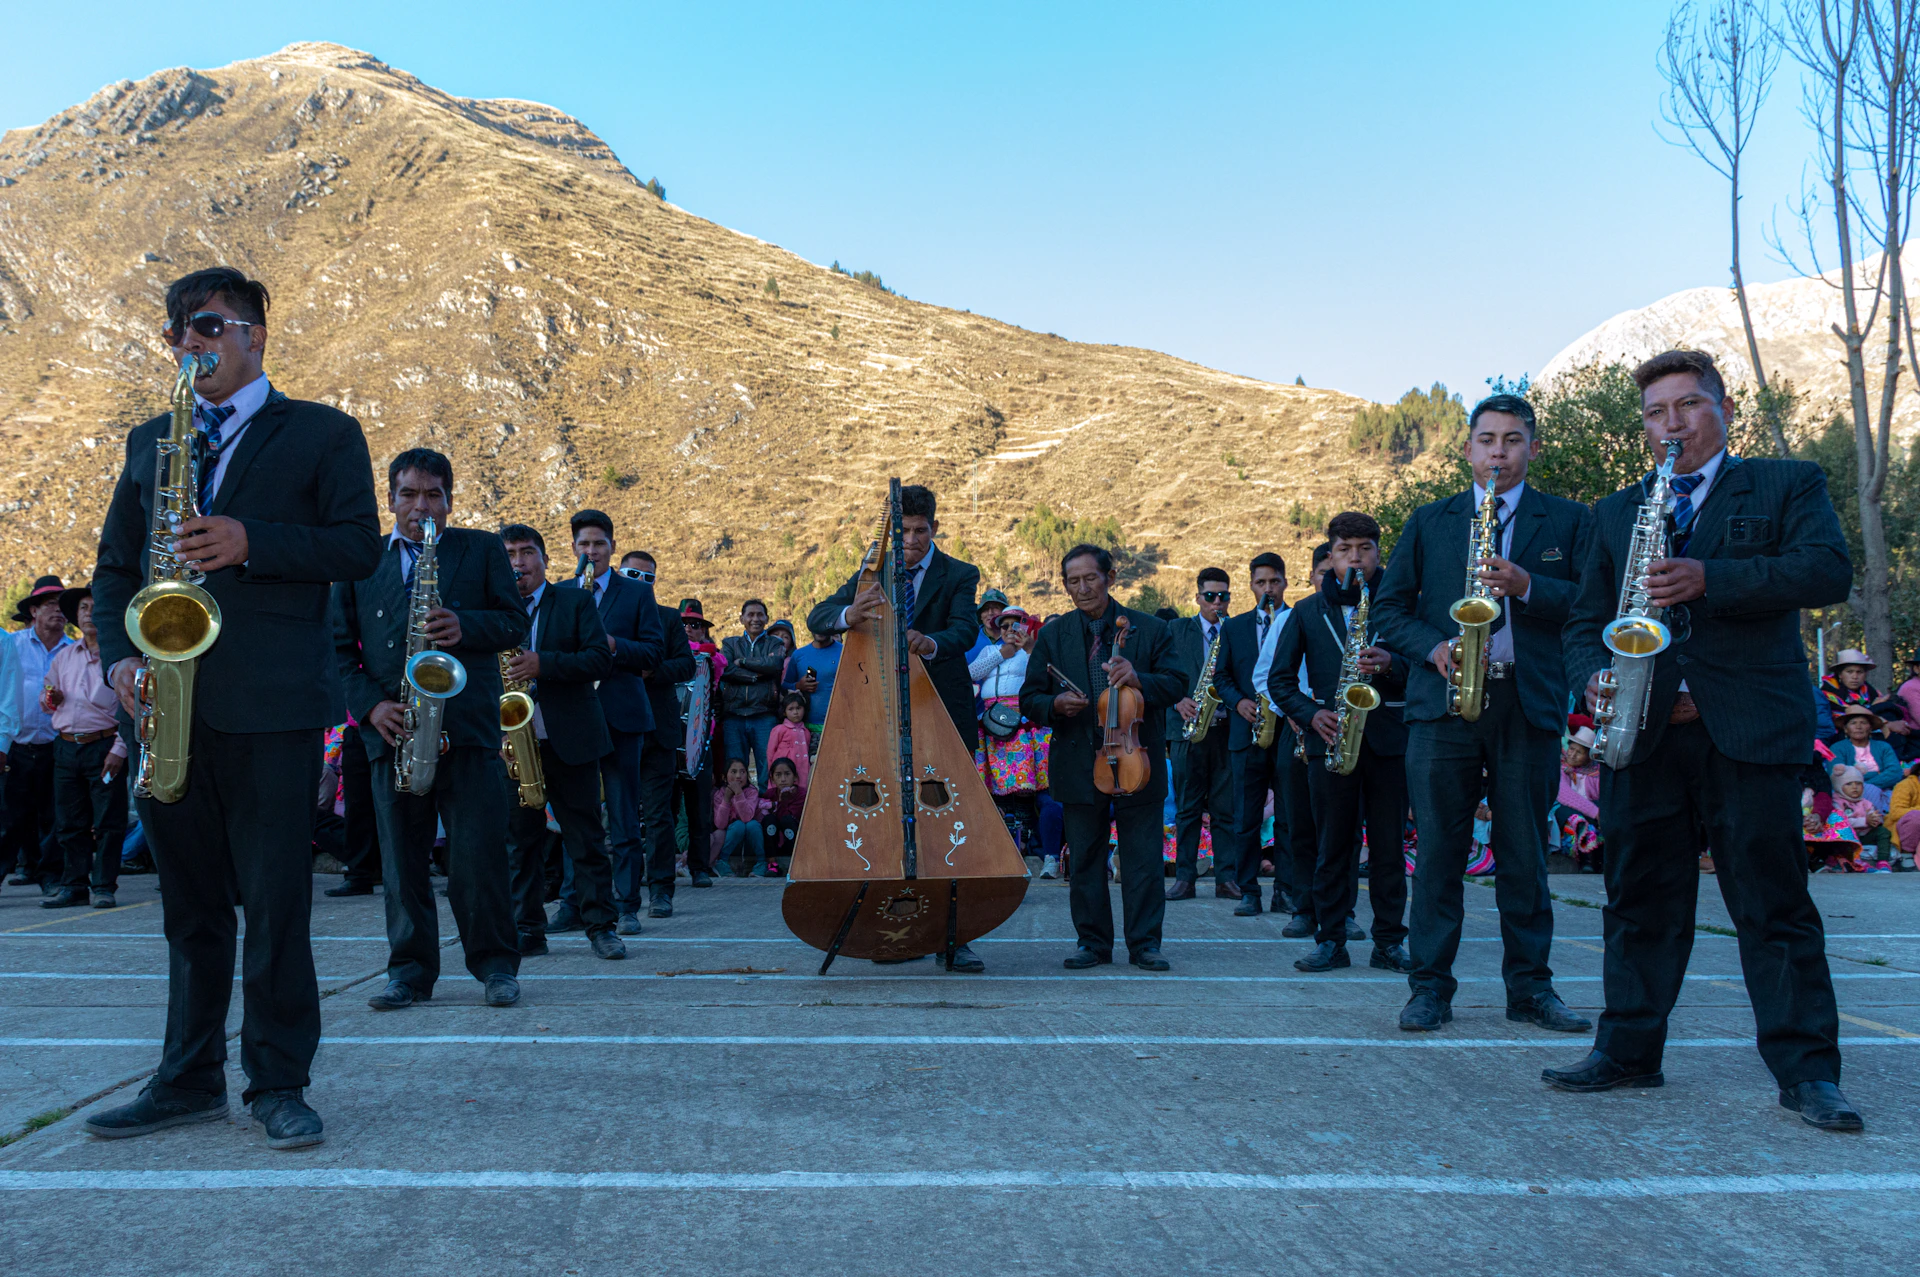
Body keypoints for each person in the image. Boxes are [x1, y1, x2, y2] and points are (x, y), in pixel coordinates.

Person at [86, 266, 383, 1150]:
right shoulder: (150, 441)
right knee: (190, 907)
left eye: (209, 326)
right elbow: (111, 572)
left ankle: (279, 1081)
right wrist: (119, 660)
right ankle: (185, 1078)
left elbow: (359, 546)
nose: (190, 343)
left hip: (274, 706)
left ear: (255, 332)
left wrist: (253, 541)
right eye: (179, 330)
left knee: (278, 902)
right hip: (167, 708)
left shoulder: (324, 432)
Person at [1550, 348, 1862, 1132]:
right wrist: (1593, 678)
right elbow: (1586, 620)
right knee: (1638, 903)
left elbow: (1826, 570)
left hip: (1746, 728)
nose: (1671, 424)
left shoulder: (1789, 482)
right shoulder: (1617, 510)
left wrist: (1709, 578)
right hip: (1642, 731)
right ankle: (1627, 1051)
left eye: (1687, 406)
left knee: (1772, 904)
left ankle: (1808, 1074)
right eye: (1656, 412)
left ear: (1723, 410)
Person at [1371, 391, 1592, 1034]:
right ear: (1468, 448)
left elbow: (1589, 604)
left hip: (1526, 704)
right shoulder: (1429, 521)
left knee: (1525, 854)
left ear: (1533, 447)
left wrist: (1529, 587)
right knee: (1438, 852)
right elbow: (1389, 611)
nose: (1499, 451)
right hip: (1444, 706)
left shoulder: (1571, 521)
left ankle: (1531, 990)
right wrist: (1432, 648)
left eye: (1513, 440)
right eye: (1488, 440)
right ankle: (1429, 988)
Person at [335, 448, 528, 1012]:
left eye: (434, 495)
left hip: (464, 731)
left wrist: (463, 625)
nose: (422, 506)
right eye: (410, 494)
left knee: (478, 861)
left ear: (450, 498)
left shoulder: (482, 548)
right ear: (391, 498)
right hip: (391, 732)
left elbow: (515, 621)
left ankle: (496, 967)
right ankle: (410, 973)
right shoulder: (360, 559)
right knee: (400, 865)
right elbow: (339, 649)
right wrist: (372, 708)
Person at [1019, 543, 1186, 971]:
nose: (1082, 588)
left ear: (1110, 578)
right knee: (1087, 856)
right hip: (1078, 757)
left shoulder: (1148, 629)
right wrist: (1055, 705)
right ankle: (1092, 943)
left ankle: (1145, 944)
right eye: (1073, 581)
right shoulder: (1054, 636)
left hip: (1135, 753)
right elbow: (1029, 698)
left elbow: (1176, 682)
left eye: (1090, 578)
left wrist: (1139, 679)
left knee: (1142, 856)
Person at [1270, 513, 1414, 974]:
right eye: (1345, 549)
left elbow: (1426, 669)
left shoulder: (1401, 604)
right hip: (1330, 742)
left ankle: (1389, 942)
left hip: (1389, 741)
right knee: (1331, 846)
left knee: (1390, 849)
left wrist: (1392, 664)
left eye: (1366, 548)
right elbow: (1280, 680)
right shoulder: (1308, 612)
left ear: (1378, 553)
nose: (1356, 557)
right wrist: (1312, 715)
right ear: (1330, 555)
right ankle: (1331, 939)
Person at [498, 524, 625, 960]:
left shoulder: (573, 600)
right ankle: (528, 930)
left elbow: (599, 659)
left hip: (569, 739)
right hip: (515, 744)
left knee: (586, 840)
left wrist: (541, 663)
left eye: (528, 553)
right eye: (511, 554)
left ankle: (602, 928)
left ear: (546, 560)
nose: (519, 563)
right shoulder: (492, 610)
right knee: (521, 845)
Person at [807, 484, 983, 755]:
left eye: (920, 530)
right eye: (903, 531)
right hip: (881, 705)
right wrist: (848, 615)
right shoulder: (873, 572)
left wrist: (930, 643)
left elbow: (966, 629)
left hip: (942, 701)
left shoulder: (960, 573)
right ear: (890, 531)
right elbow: (817, 617)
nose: (910, 540)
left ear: (934, 528)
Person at [556, 509, 665, 936]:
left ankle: (626, 904)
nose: (591, 551)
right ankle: (572, 903)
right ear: (573, 549)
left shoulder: (636, 594)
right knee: (575, 816)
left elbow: (654, 652)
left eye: (599, 544)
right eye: (583, 544)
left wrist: (614, 644)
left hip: (621, 714)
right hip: (575, 717)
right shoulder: (560, 592)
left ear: (612, 547)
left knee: (622, 816)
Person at [1212, 554, 1306, 915]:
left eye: (1275, 582)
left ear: (1285, 583)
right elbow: (1221, 677)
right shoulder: (1233, 628)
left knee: (1288, 815)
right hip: (1246, 731)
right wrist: (1239, 704)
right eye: (1261, 583)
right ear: (1251, 586)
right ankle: (1249, 890)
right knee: (1246, 817)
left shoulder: (1298, 620)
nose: (1268, 589)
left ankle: (1285, 890)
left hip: (1287, 731)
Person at [37, 584, 129, 909]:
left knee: (108, 820)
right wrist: (51, 698)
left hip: (104, 746)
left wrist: (120, 750)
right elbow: (47, 696)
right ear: (75, 617)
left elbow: (135, 708)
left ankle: (103, 886)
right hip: (65, 747)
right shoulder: (64, 656)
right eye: (83, 608)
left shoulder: (120, 658)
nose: (89, 613)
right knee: (69, 821)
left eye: (95, 607)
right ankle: (73, 885)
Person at [620, 551, 698, 915]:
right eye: (633, 573)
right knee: (617, 815)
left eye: (648, 577)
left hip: (658, 730)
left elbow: (686, 665)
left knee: (658, 815)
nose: (640, 581)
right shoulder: (602, 613)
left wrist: (654, 672)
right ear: (620, 572)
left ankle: (661, 890)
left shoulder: (668, 618)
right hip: (616, 727)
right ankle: (623, 891)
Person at [1164, 569, 1235, 902]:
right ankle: (1184, 879)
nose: (1217, 602)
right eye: (1210, 596)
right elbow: (1160, 675)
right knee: (1187, 810)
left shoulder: (1236, 630)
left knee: (1225, 810)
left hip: (1226, 729)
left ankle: (1226, 879)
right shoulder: (1177, 629)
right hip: (1188, 729)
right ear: (1197, 597)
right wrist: (1178, 699)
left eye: (1223, 596)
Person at [3, 575, 72, 892]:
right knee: (13, 815)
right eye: (50, 605)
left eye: (61, 606)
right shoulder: (12, 644)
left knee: (53, 814)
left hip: (56, 743)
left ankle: (49, 875)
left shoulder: (73, 650)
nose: (57, 611)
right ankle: (20, 867)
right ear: (33, 611)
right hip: (16, 744)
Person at [969, 605, 1049, 855]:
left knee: (1023, 788)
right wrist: (1002, 654)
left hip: (1020, 723)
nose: (1008, 630)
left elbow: (1045, 674)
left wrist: (1026, 648)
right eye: (1004, 626)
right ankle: (1004, 838)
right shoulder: (990, 650)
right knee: (997, 785)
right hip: (992, 722)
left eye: (1015, 625)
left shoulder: (1031, 652)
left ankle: (1024, 839)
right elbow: (972, 673)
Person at [719, 599, 785, 787]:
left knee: (767, 768)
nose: (755, 619)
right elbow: (725, 669)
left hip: (764, 715)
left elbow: (775, 665)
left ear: (766, 618)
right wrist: (755, 676)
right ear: (742, 619)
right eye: (750, 614)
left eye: (759, 615)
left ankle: (766, 809)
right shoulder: (730, 643)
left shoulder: (775, 643)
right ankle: (735, 811)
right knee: (734, 769)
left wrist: (743, 662)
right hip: (734, 715)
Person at [1821, 649, 1909, 745]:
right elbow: (1847, 717)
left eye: (1860, 672)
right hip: (1841, 737)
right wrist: (1887, 724)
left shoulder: (1868, 690)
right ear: (1840, 674)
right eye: (1849, 672)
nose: (1855, 676)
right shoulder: (1828, 692)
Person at [787, 626, 842, 749]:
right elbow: (785, 686)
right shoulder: (799, 655)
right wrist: (798, 686)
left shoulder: (845, 652)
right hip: (805, 730)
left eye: (824, 624)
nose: (820, 629)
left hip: (840, 728)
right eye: (816, 624)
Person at [1829, 765, 1891, 868]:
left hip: (1864, 835)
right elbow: (1841, 822)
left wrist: (1875, 820)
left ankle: (1883, 860)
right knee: (1841, 836)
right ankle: (1851, 860)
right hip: (1849, 837)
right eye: (1849, 784)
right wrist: (1865, 821)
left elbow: (1873, 815)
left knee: (1883, 832)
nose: (1854, 787)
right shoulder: (1837, 802)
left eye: (1858, 784)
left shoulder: (1866, 802)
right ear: (1839, 786)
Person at [711, 758, 763, 873]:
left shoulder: (752, 792)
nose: (738, 776)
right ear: (725, 777)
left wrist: (739, 794)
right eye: (733, 772)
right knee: (738, 825)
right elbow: (720, 824)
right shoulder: (719, 794)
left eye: (742, 772)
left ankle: (761, 862)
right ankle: (722, 861)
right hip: (730, 842)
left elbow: (747, 817)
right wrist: (726, 800)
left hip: (751, 841)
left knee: (752, 824)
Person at [1832, 706, 1903, 791]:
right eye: (1853, 723)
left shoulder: (1883, 747)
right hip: (1849, 795)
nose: (1858, 727)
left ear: (1870, 728)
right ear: (1846, 729)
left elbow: (1895, 772)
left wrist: (1866, 786)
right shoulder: (1837, 748)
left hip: (1884, 790)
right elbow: (1838, 776)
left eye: (1863, 723)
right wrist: (1876, 774)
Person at [760, 755, 807, 875]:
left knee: (787, 820)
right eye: (778, 775)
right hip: (774, 841)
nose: (783, 779)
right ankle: (772, 863)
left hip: (794, 839)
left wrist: (783, 802)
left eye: (787, 774)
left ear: (795, 777)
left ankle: (797, 863)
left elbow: (792, 817)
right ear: (772, 779)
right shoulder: (769, 794)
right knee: (769, 819)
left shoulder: (801, 794)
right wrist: (779, 801)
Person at [768, 691, 813, 789]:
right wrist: (771, 773)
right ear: (784, 712)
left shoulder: (806, 732)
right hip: (783, 771)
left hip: (802, 771)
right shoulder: (779, 729)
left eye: (798, 708)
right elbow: (770, 752)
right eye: (791, 709)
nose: (795, 712)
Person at [966, 588, 1012, 664]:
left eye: (996, 608)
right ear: (980, 616)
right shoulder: (970, 638)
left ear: (1005, 613)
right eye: (985, 609)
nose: (990, 613)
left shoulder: (1014, 637)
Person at [1888, 759, 1920, 868]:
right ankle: (1906, 854)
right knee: (1916, 817)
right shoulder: (1906, 785)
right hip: (1903, 827)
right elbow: (1895, 812)